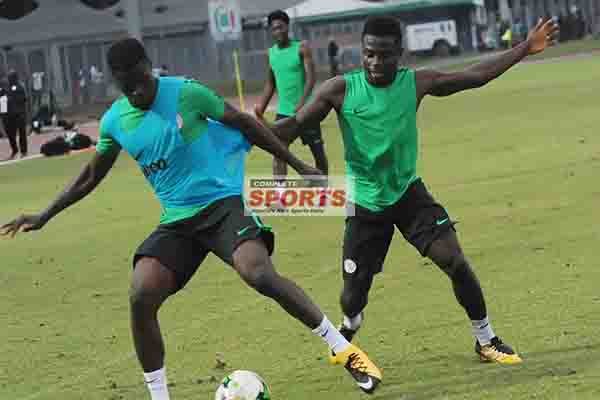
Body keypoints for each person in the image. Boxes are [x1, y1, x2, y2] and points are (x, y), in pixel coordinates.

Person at [0, 38, 382, 398]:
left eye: (140, 82)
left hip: (222, 205)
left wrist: (298, 165)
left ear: (149, 67)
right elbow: (90, 175)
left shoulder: (186, 92)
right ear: (117, 82)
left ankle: (343, 349)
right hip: (178, 222)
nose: (136, 93)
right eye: (127, 88)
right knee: (141, 294)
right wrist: (45, 214)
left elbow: (245, 123)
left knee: (259, 273)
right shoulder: (115, 121)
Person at [273, 17, 559, 365]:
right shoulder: (340, 90)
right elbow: (294, 125)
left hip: (408, 195)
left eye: (384, 55)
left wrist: (525, 47)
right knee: (352, 295)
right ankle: (351, 323)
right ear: (361, 52)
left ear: (400, 53)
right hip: (365, 204)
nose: (376, 62)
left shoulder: (416, 83)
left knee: (455, 261)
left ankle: (486, 340)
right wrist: (243, 127)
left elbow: (474, 76)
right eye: (369, 54)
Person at [254, 10, 329, 183]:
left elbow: (311, 78)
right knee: (279, 152)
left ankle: (323, 190)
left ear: (287, 27)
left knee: (317, 151)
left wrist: (302, 103)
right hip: (284, 113)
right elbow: (270, 84)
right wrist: (260, 109)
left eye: (281, 27)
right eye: (274, 29)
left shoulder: (301, 47)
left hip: (307, 111)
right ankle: (280, 195)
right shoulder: (271, 53)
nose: (278, 32)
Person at [2, 70, 28, 158]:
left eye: (11, 77)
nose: (9, 79)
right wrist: (3, 114)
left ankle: (23, 151)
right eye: (9, 77)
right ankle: (15, 150)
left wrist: (22, 113)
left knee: (22, 133)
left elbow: (23, 100)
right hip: (9, 116)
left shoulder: (20, 87)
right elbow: (2, 101)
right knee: (10, 134)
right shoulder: (5, 88)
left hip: (19, 114)